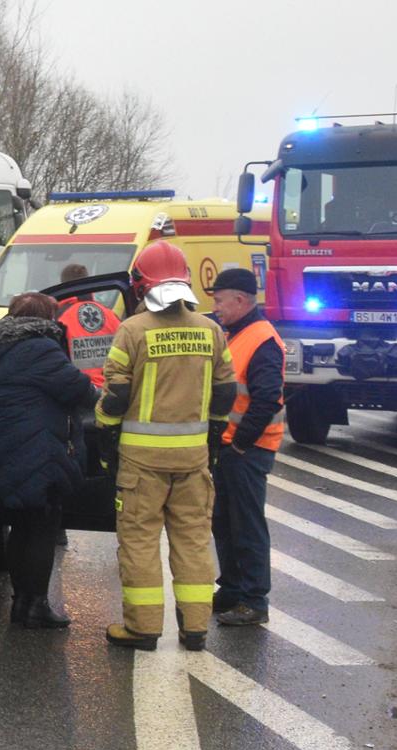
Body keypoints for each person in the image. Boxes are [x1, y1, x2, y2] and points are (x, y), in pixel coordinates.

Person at [96, 241, 237, 652]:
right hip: (193, 460)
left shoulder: (132, 330)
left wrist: (105, 439)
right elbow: (226, 392)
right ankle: (195, 628)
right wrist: (213, 438)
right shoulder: (210, 330)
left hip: (141, 462)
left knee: (139, 542)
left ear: (141, 285)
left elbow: (116, 397)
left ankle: (142, 628)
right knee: (193, 540)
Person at [0, 291, 102, 629]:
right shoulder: (39, 348)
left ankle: (22, 603)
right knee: (41, 527)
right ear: (46, 319)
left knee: (21, 526)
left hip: (6, 447)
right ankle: (35, 605)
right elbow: (80, 390)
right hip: (39, 451)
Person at [204, 268, 285, 627]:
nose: (216, 308)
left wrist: (239, 444)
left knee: (247, 523)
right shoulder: (235, 333)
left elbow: (267, 399)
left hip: (248, 450)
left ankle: (254, 600)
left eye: (220, 301)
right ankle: (233, 589)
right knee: (224, 521)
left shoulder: (262, 339)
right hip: (231, 448)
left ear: (240, 300)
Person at [54, 263, 122, 388]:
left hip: (79, 389)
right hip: (111, 389)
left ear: (63, 284)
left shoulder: (58, 317)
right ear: (88, 281)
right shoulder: (109, 314)